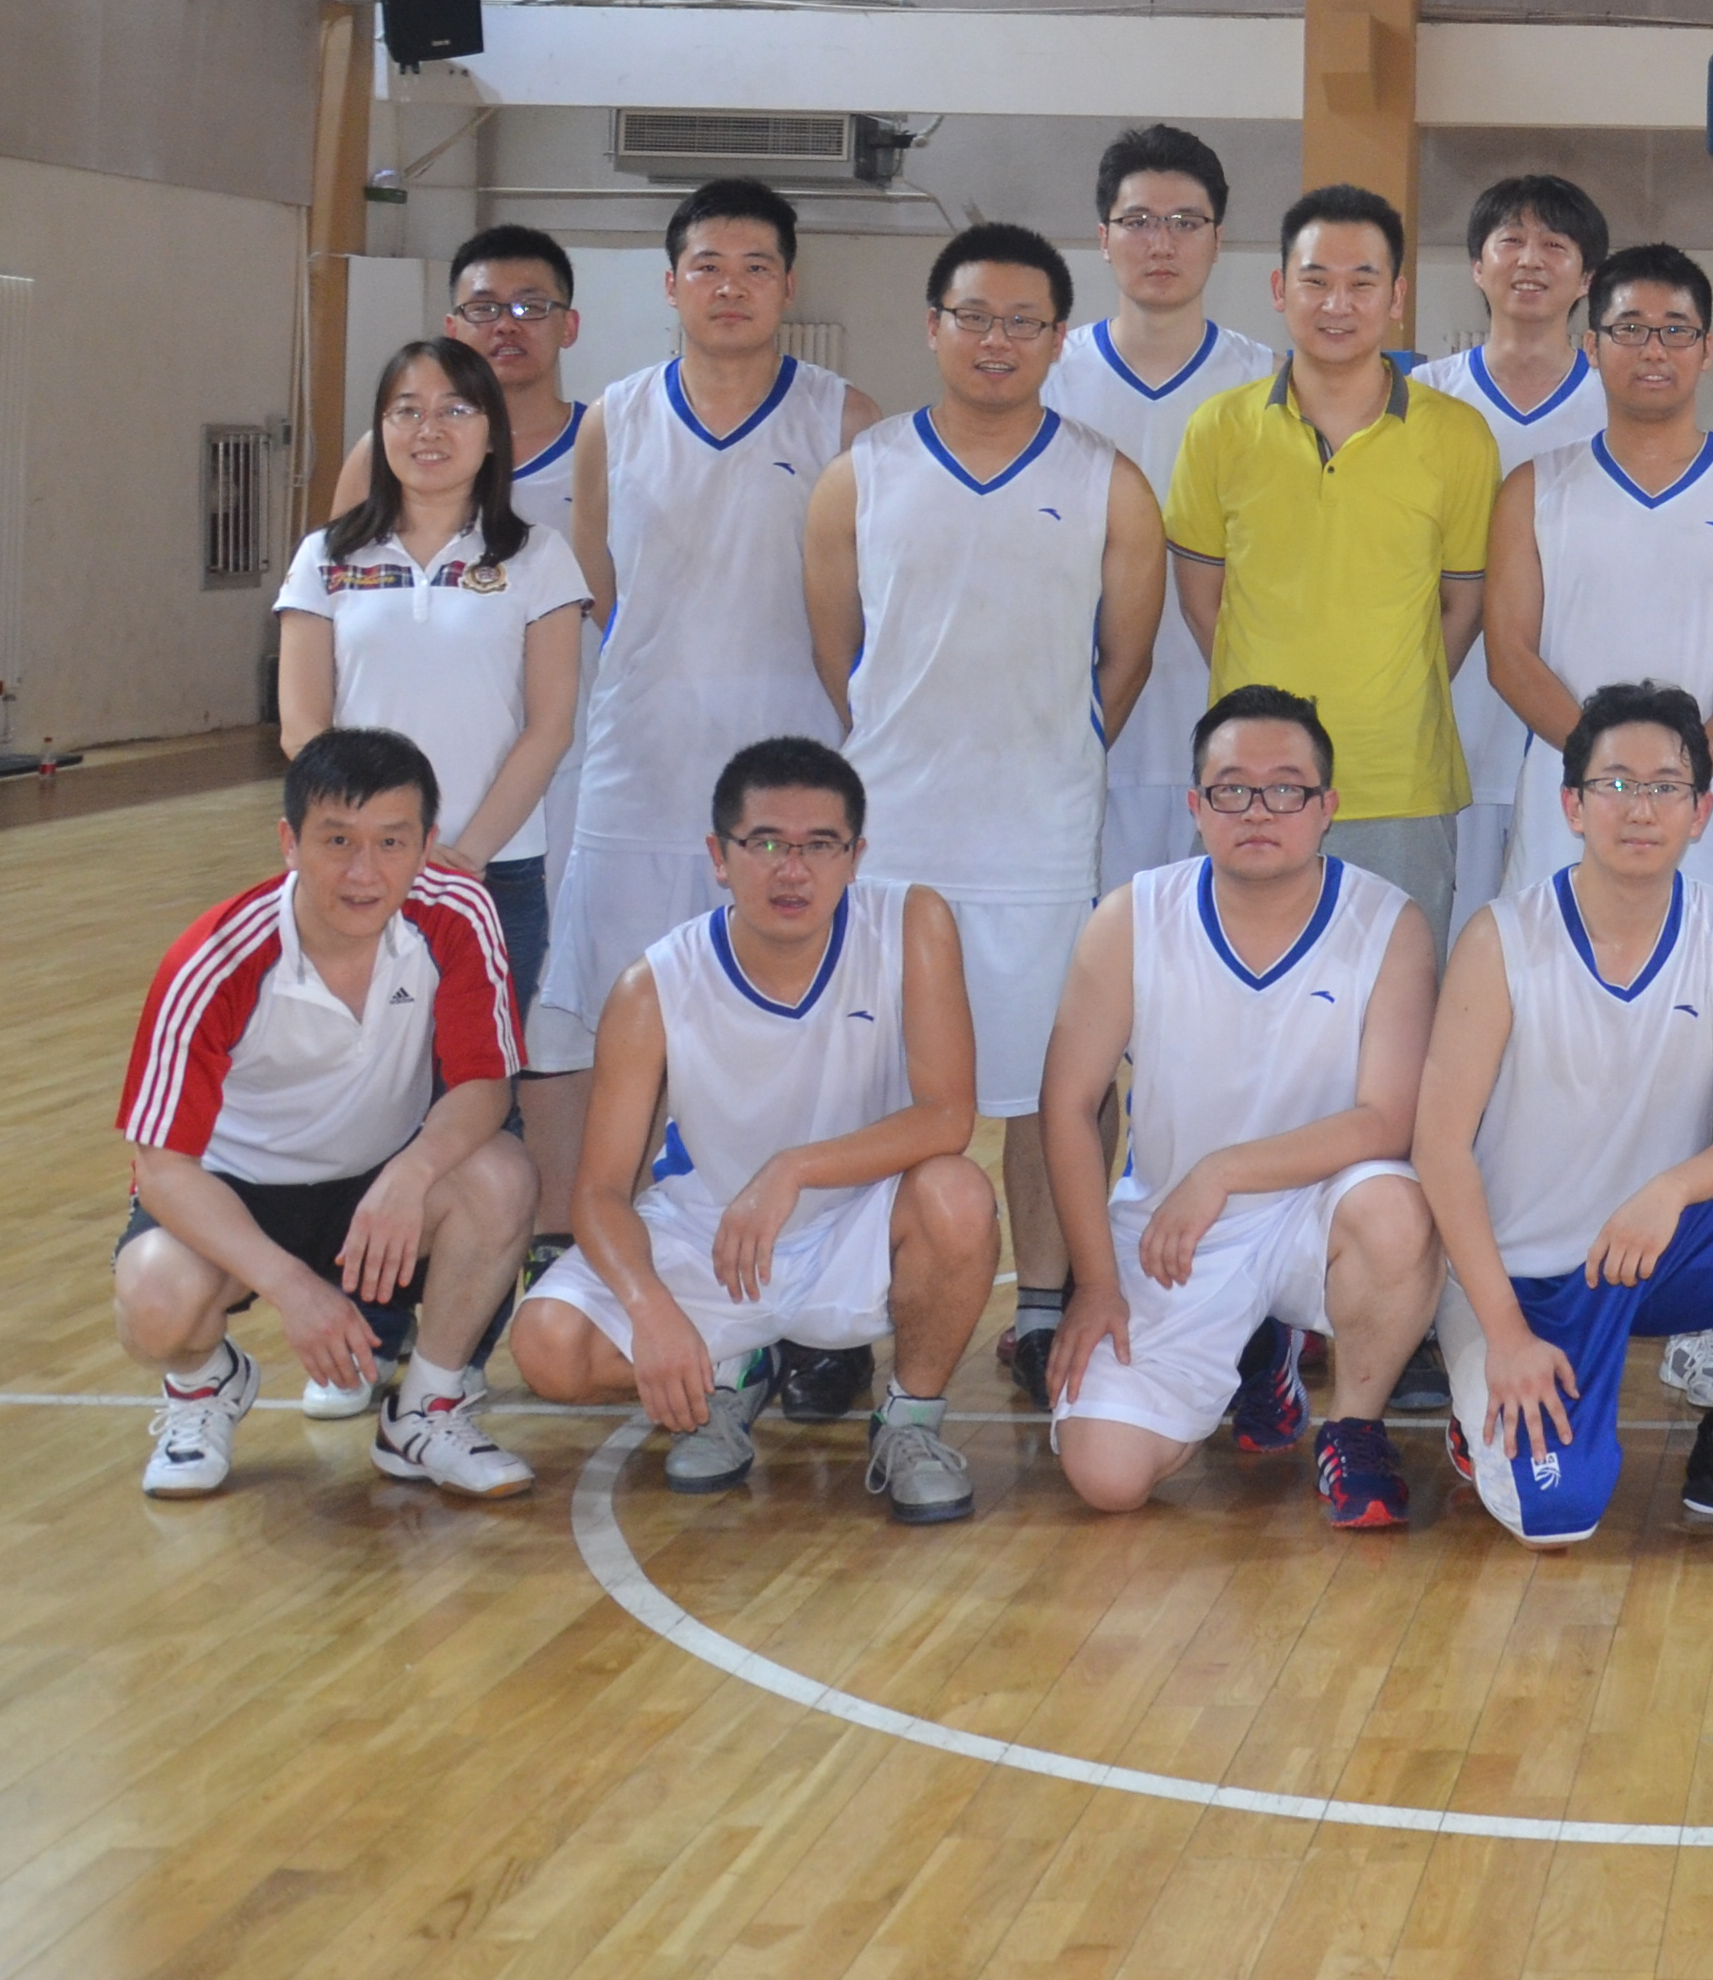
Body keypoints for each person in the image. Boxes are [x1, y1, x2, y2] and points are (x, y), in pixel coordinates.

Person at [805, 221, 1167, 1408]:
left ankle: (1047, 1304)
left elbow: (1123, 664)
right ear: (932, 327)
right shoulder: (861, 475)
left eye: (1023, 321)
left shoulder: (1110, 482)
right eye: (973, 316)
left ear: (1060, 338)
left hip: (1040, 839)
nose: (996, 340)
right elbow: (839, 658)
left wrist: (1048, 754)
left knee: (1055, 1089)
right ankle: (830, 1320)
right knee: (871, 1088)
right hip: (895, 840)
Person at [506, 739, 997, 1524]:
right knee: (547, 1347)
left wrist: (792, 1168)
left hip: (855, 1223)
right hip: (713, 1239)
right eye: (766, 844)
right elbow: (598, 1192)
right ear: (719, 857)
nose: (792, 870)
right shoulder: (652, 986)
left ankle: (909, 1421)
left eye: (820, 845)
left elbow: (949, 1115)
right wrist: (651, 1310)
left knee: (959, 1196)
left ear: (856, 856)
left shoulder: (912, 922)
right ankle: (730, 1369)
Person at [1410, 684, 1713, 1543]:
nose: (1640, 808)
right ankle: (1476, 1386)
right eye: (1615, 784)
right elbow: (1439, 1147)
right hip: (1522, 1277)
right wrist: (1504, 1331)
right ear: (1572, 806)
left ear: (1701, 812)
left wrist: (1670, 1191)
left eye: (1665, 787)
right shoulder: (1501, 939)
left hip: (1647, 1249)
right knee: (1560, 1516)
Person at [1038, 686, 1443, 1527]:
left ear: (1327, 807)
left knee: (1398, 1210)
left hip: (1320, 1213)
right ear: (1196, 806)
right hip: (1175, 1231)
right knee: (1107, 1478)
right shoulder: (1131, 919)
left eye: (1286, 788)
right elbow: (1069, 1104)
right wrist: (1097, 1285)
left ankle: (1353, 1427)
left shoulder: (1387, 922)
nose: (1258, 810)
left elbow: (1387, 1121)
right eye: (1232, 789)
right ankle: (1258, 1351)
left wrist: (1222, 1171)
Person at [274, 332, 589, 1407]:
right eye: (406, 409)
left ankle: (457, 1347)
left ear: (491, 433)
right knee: (361, 1101)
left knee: (477, 1103)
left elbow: (548, 726)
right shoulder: (326, 557)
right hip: (356, 884)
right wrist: (375, 854)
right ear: (379, 430)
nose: (429, 430)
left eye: (454, 409)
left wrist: (461, 856)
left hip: (492, 878)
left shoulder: (537, 559)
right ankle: (359, 1336)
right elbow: (303, 724)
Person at [116, 728, 538, 1500]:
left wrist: (411, 1173)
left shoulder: (457, 914)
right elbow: (163, 1168)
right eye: (337, 840)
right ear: (290, 842)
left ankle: (425, 1411)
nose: (363, 871)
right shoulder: (213, 960)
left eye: (391, 842)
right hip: (237, 1194)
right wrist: (291, 1286)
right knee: (152, 1300)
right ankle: (205, 1383)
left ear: (427, 846)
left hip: (379, 1184)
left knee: (501, 1175)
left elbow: (485, 1086)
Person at [550, 180, 874, 1136]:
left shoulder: (846, 421)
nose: (730, 288)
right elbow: (600, 587)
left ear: (789, 286)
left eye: (755, 268)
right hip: (640, 774)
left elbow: (867, 606)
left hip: (790, 778)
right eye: (707, 268)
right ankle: (620, 1218)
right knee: (625, 1039)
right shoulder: (612, 419)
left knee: (788, 1040)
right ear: (670, 284)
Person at [323, 224, 598, 1225]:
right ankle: (381, 1251)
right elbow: (342, 630)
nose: (507, 325)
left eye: (531, 306)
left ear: (569, 323)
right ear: (451, 321)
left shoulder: (598, 444)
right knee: (381, 1060)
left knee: (545, 1033)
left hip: (544, 798)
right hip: (386, 833)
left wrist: (474, 847)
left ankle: (550, 1232)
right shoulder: (377, 462)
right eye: (485, 307)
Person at [1161, 183, 1502, 941]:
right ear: (1279, 288)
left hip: (1400, 784)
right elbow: (1201, 602)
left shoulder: (1459, 437)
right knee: (1239, 991)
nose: (1337, 304)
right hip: (1249, 785)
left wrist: (1388, 689)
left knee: (1397, 994)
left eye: (1362, 282)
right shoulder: (1218, 429)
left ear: (1397, 297)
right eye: (1315, 280)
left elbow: (1462, 607)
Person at [1480, 246, 1713, 908]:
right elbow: (1509, 657)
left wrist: (1679, 777)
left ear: (1707, 349)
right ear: (1591, 347)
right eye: (1629, 329)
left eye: (1676, 331)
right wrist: (1610, 777)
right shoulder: (1534, 488)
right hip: (1568, 814)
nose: (1653, 350)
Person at [1046, 124, 1283, 894]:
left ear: (1219, 239)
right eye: (1138, 221)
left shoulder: (1271, 385)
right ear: (1102, 238)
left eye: (1185, 222)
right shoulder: (1046, 379)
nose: (1161, 243)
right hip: (1078, 726)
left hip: (1224, 730)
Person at [1413, 171, 1611, 901]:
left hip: (1572, 718)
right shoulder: (1419, 399)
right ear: (1476, 265)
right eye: (1511, 241)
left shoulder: (1621, 404)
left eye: (1555, 245)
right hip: (1444, 716)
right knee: (1445, 934)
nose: (1530, 260)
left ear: (1586, 278)